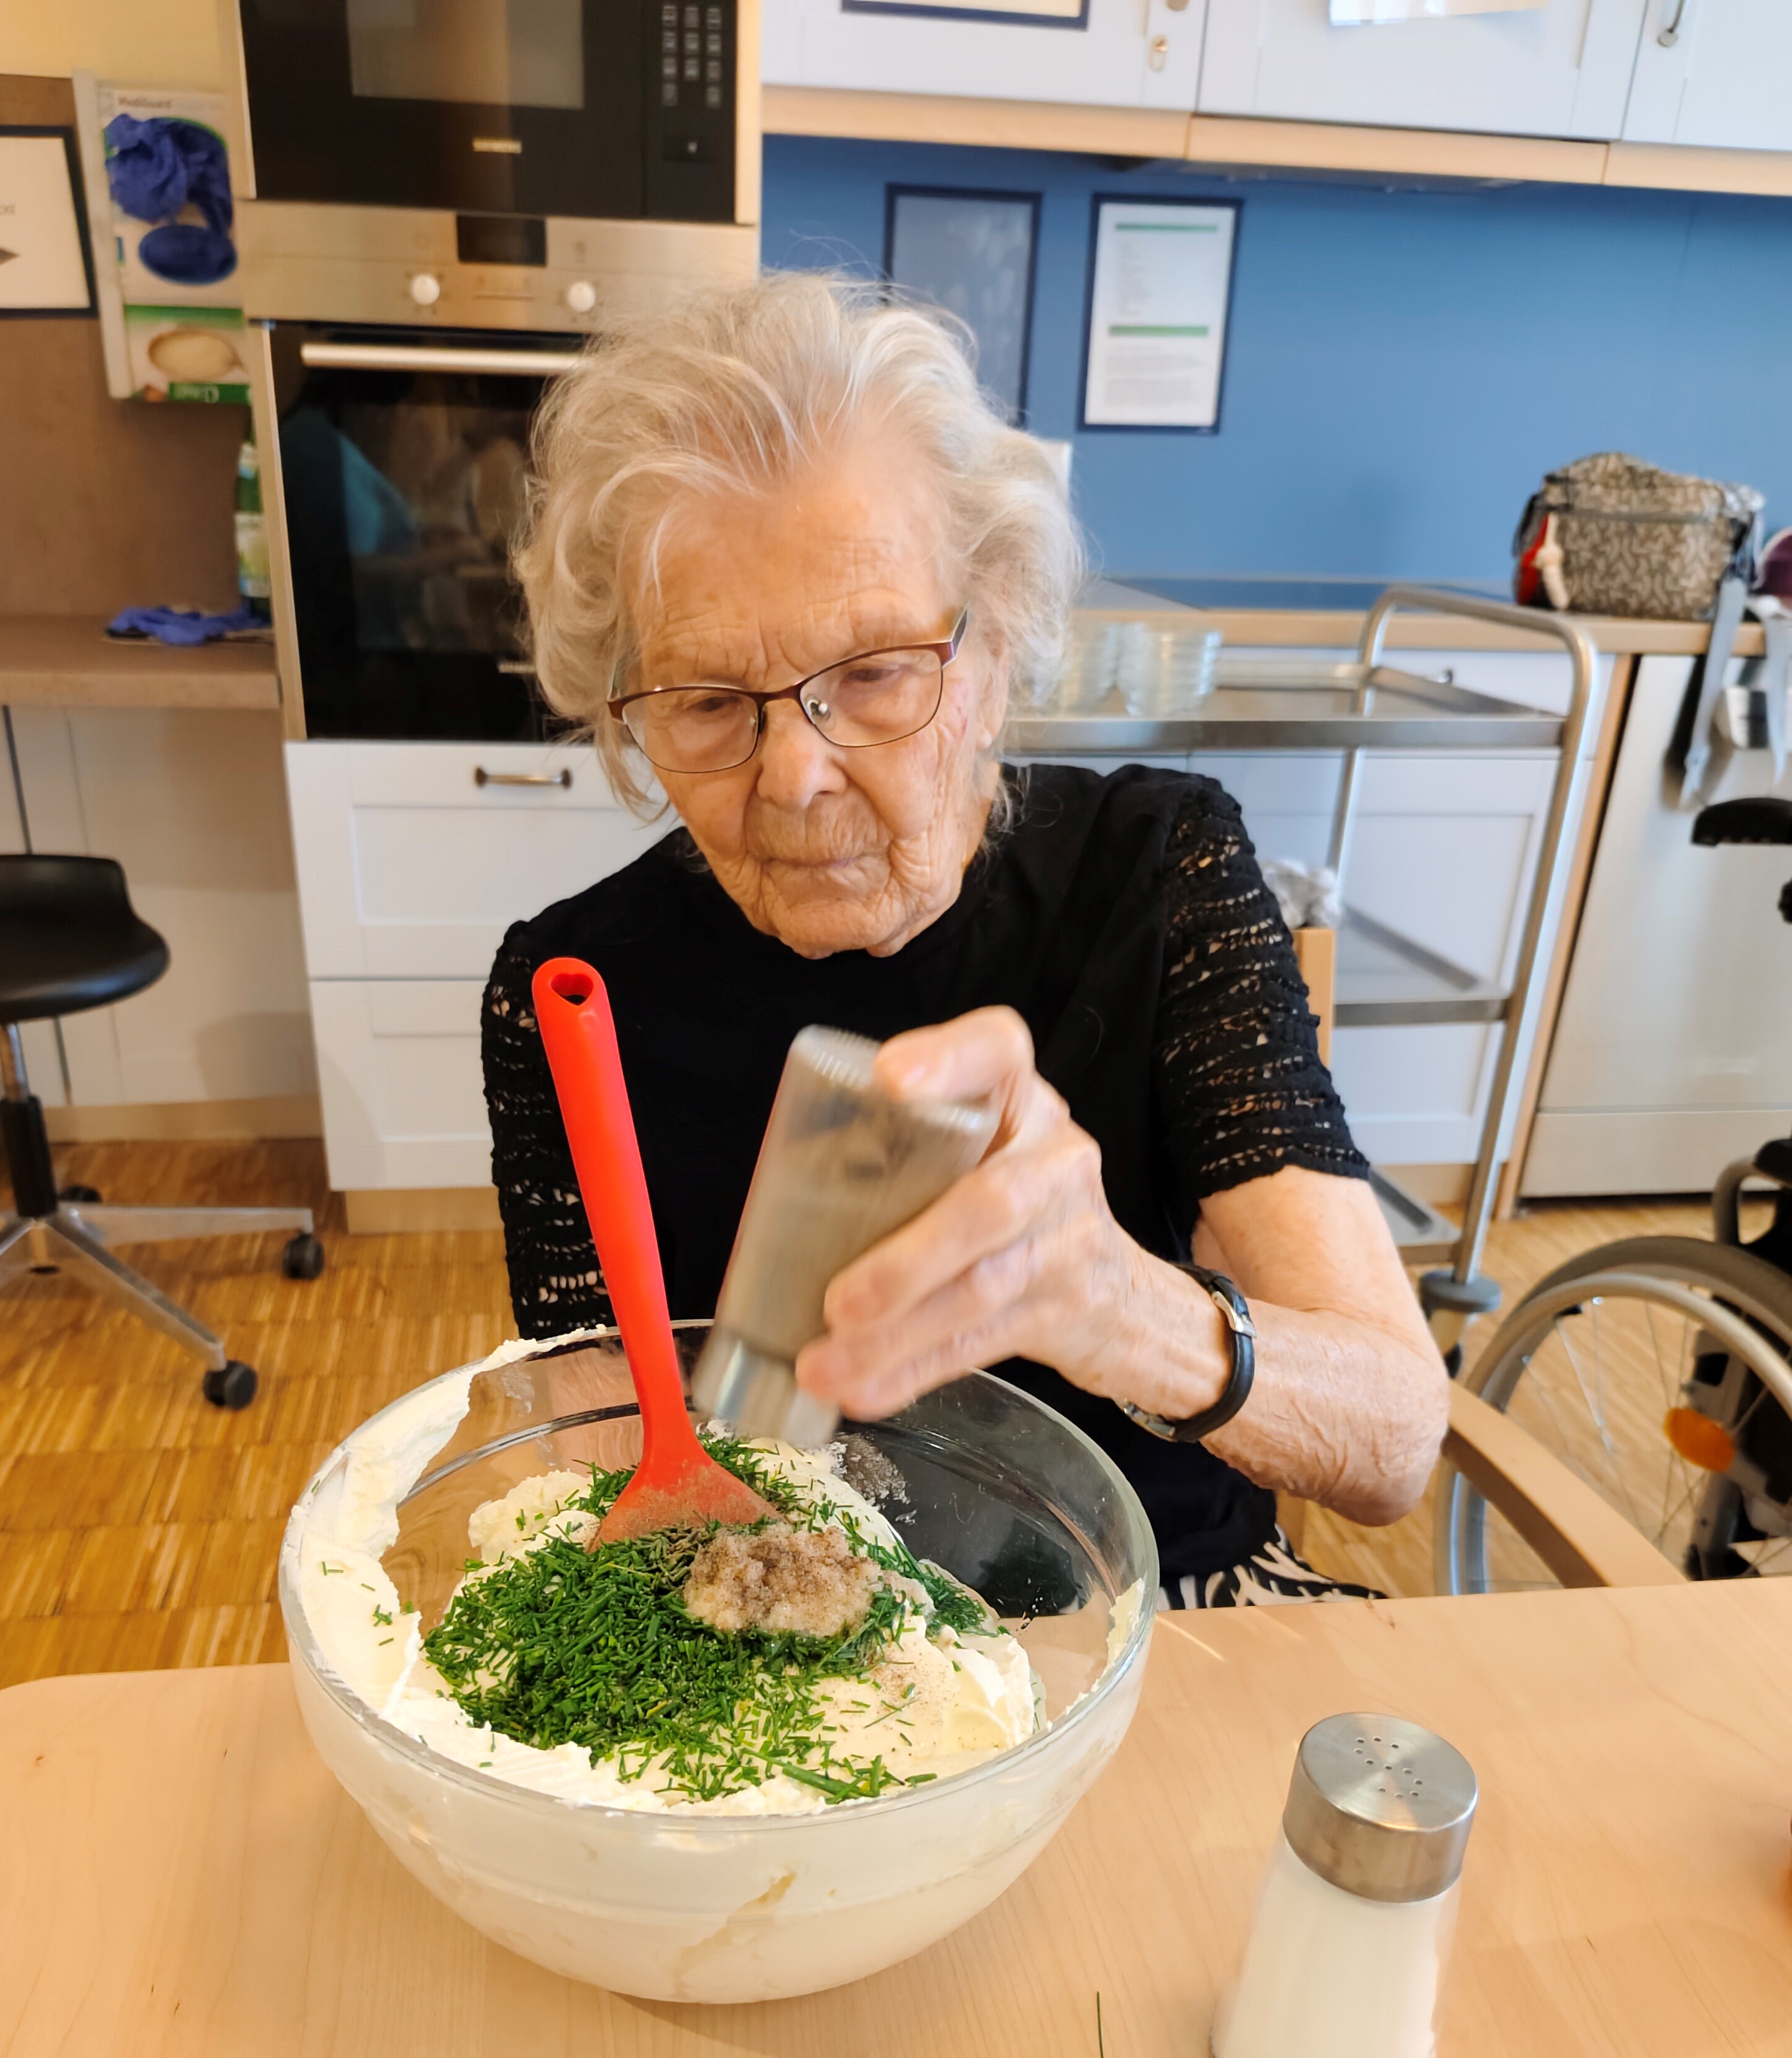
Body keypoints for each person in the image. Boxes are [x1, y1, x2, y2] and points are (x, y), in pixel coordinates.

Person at [483, 275, 1447, 1608]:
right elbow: (606, 1452)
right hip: (773, 1617)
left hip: (1162, 1612)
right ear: (630, 719)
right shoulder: (570, 992)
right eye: (706, 700)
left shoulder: (1160, 872)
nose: (795, 777)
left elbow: (1394, 1439)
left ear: (992, 659)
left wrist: (1117, 1304)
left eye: (876, 672)